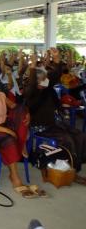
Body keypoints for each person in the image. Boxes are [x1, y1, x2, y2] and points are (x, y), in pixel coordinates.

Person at [0, 74, 47, 199]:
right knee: (8, 139)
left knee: (21, 111)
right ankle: (14, 177)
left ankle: (20, 143)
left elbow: (14, 106)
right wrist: (8, 131)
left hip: (3, 123)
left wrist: (26, 113)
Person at [24, 48, 86, 184]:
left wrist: (56, 58)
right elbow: (33, 82)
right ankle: (72, 170)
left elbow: (56, 74)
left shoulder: (47, 87)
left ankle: (75, 166)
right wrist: (33, 66)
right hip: (41, 126)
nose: (46, 80)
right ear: (36, 80)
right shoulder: (31, 92)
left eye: (45, 77)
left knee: (80, 136)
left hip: (55, 123)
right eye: (42, 78)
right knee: (67, 140)